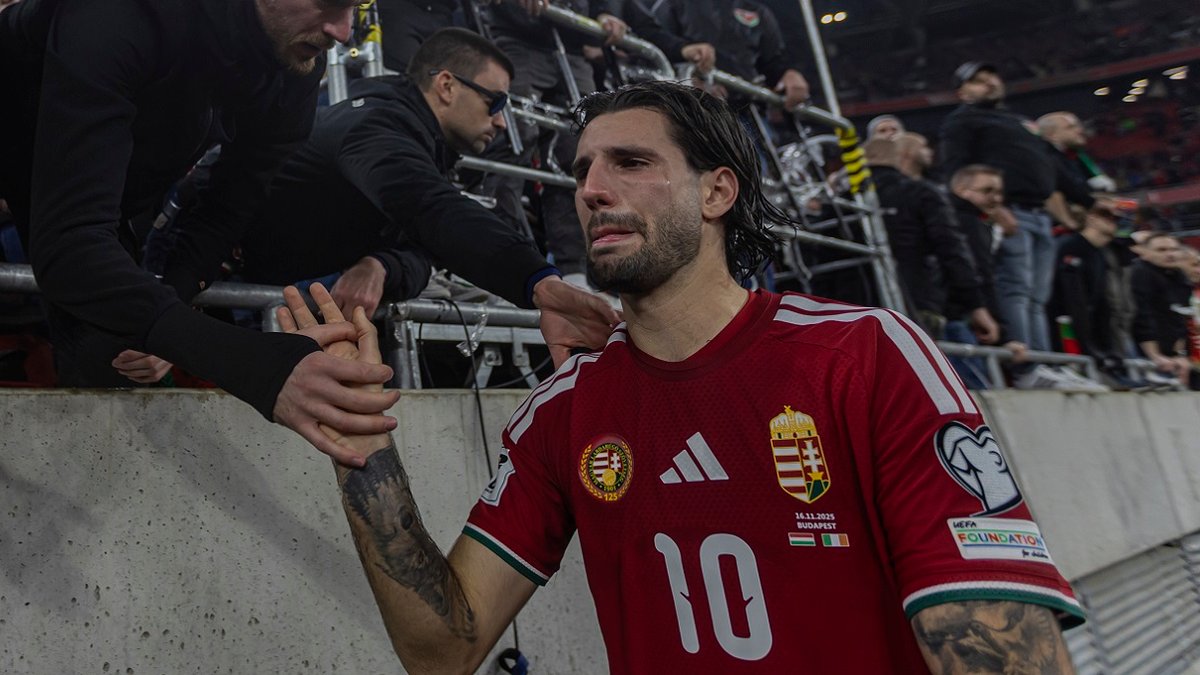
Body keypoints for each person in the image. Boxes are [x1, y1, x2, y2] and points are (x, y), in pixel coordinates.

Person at [287, 81, 1083, 673]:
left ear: (717, 190)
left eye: (631, 162)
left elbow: (1003, 650)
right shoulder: (563, 410)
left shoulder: (869, 354)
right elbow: (442, 648)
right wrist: (362, 441)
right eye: (583, 170)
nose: (591, 189)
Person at [0, 0, 407, 464]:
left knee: (114, 350)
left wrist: (168, 314)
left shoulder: (294, 62)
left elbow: (226, 210)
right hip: (36, 146)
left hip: (108, 184)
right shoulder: (119, 13)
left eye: (355, 7)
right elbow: (70, 248)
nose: (344, 32)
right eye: (328, 3)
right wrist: (260, 367)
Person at [163, 28, 621, 331]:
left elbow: (422, 247)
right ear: (446, 85)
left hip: (263, 292)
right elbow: (430, 211)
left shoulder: (417, 138)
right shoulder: (376, 127)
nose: (503, 122)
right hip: (198, 280)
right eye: (496, 103)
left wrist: (381, 265)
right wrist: (538, 280)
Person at [938, 63, 1104, 363]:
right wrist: (992, 209)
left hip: (1039, 214)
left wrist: (1089, 201)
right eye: (978, 81)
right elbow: (956, 170)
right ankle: (1025, 364)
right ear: (962, 92)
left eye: (992, 77)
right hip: (1009, 211)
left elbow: (1050, 166)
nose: (990, 83)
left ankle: (1044, 362)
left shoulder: (1017, 122)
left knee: (1037, 297)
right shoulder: (962, 121)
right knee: (1016, 289)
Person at [863, 137, 999, 344]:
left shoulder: (838, 199)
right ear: (900, 157)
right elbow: (951, 248)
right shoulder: (920, 192)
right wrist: (976, 305)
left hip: (852, 308)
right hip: (914, 303)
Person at [947, 164, 1029, 388]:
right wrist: (1004, 335)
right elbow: (981, 276)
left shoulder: (964, 220)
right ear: (962, 190)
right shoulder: (969, 223)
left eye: (999, 192)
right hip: (956, 319)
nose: (996, 198)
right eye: (987, 191)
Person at [652, 0, 810, 110]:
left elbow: (773, 62)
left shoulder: (757, 11)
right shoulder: (671, 4)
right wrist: (687, 83)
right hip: (689, 111)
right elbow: (656, 56)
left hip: (748, 112)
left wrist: (789, 73)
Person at [1131, 233, 1193, 384]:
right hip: (1143, 352)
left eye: (1174, 249)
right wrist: (1154, 355)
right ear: (1145, 253)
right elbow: (1142, 316)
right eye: (1161, 250)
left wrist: (1179, 354)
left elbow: (1182, 319)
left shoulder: (1180, 276)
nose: (1170, 254)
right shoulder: (1140, 272)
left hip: (1172, 353)